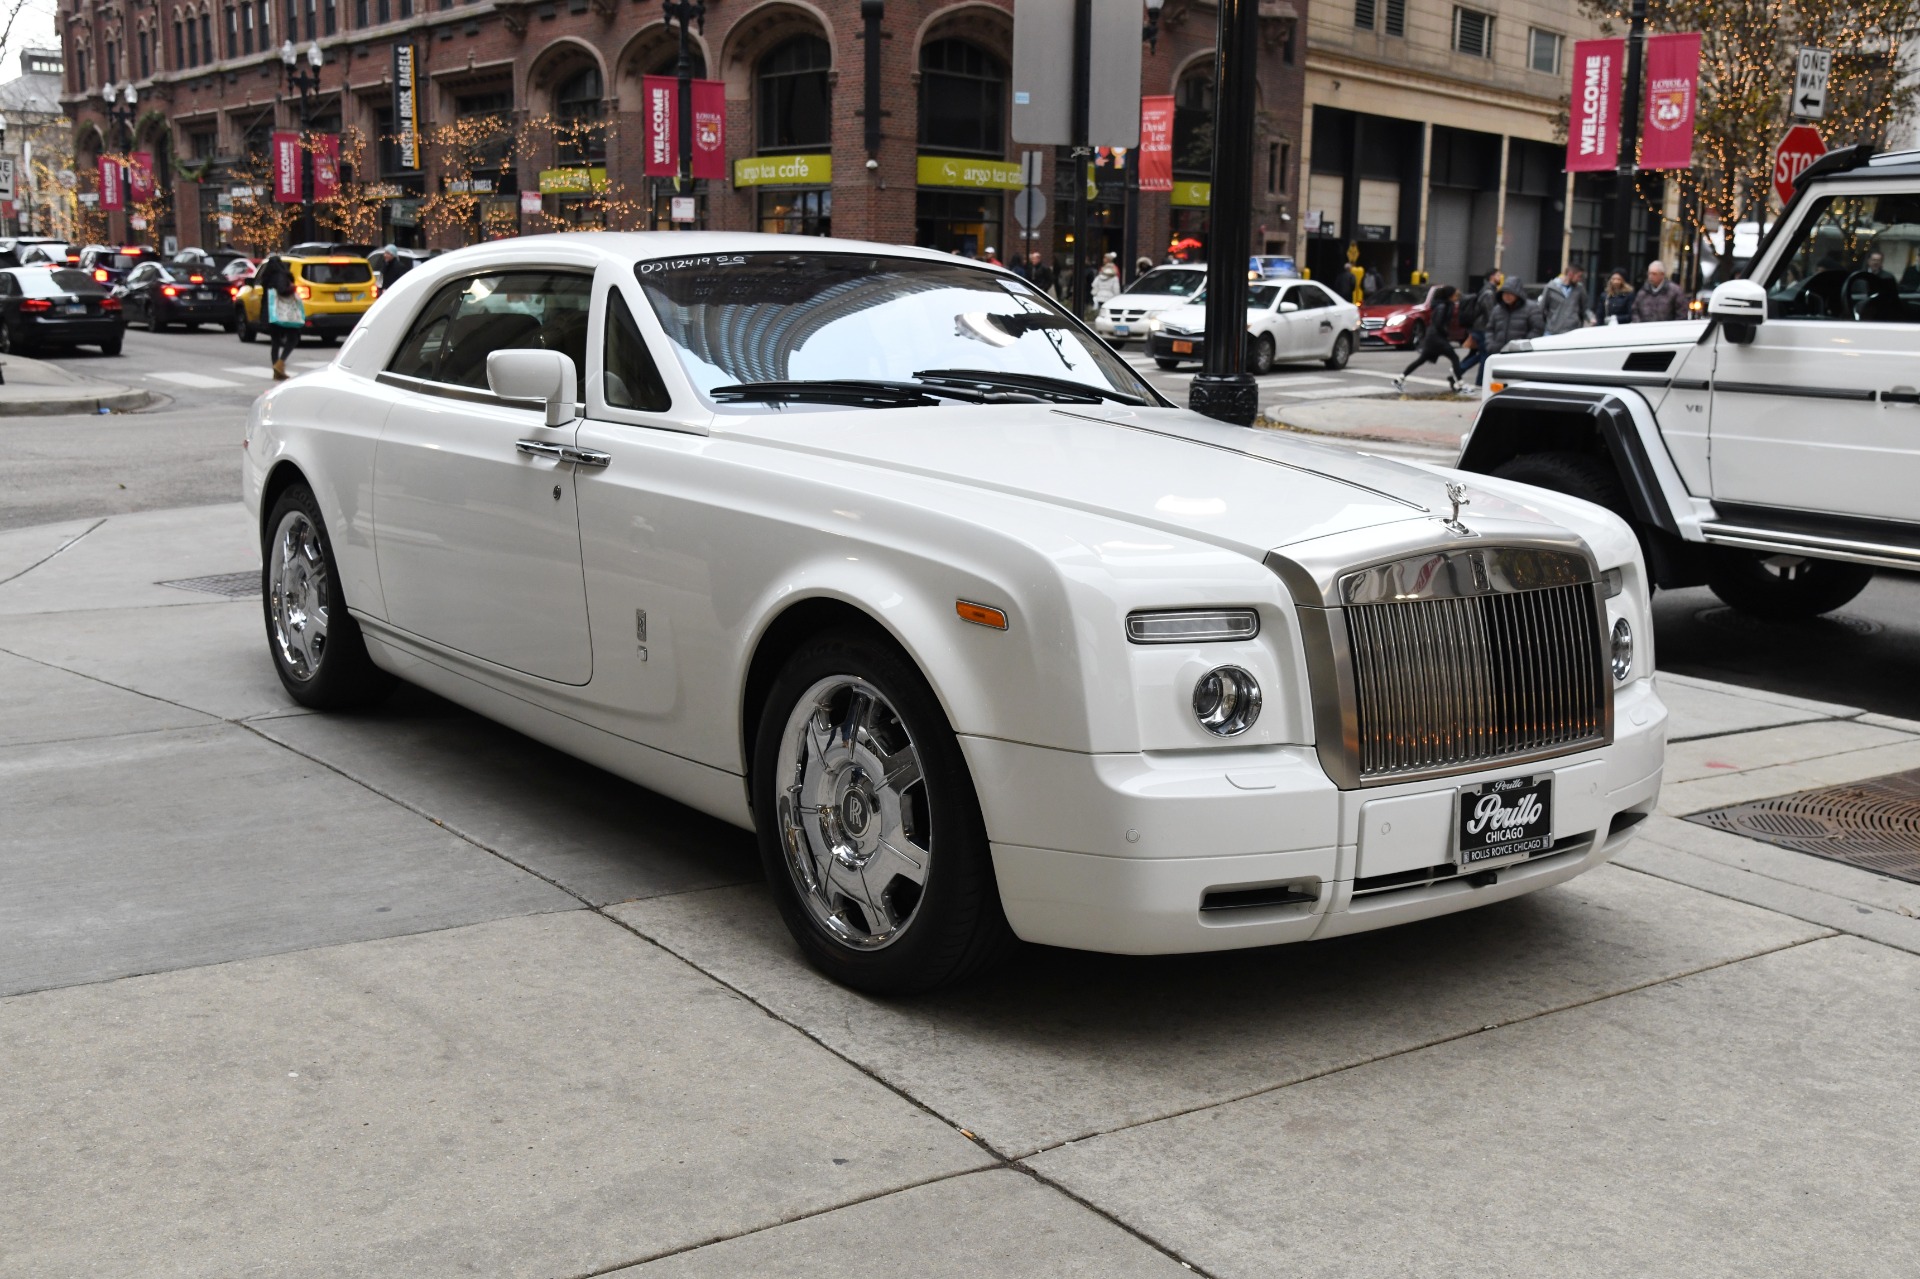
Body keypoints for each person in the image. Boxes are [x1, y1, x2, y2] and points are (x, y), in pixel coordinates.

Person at [1392, 285, 1465, 392]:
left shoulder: (1444, 305)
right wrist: (1445, 334)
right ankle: (1459, 384)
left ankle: (1399, 379)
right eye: (1455, 294)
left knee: (1421, 360)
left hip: (1433, 338)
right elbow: (1439, 323)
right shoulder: (1443, 306)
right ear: (1450, 295)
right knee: (1454, 358)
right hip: (1437, 338)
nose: (1456, 296)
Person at [258, 255, 303, 380]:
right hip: (283, 313)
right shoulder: (280, 276)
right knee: (293, 337)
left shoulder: (266, 278)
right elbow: (282, 290)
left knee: (275, 342)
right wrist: (293, 288)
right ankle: (280, 364)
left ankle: (276, 370)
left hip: (271, 314)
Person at [1456, 268, 1503, 386]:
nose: (1500, 277)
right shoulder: (1488, 292)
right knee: (1485, 356)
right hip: (1482, 328)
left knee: (1481, 354)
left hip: (1480, 327)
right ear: (1492, 277)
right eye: (1498, 275)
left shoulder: (1489, 290)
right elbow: (1490, 312)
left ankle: (1459, 372)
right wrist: (1494, 327)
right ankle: (1478, 381)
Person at [1483, 278, 1545, 360]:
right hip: (1498, 354)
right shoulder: (1497, 309)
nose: (1507, 296)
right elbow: (1490, 329)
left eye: (1510, 293)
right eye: (1504, 293)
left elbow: (1537, 329)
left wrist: (1522, 345)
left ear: (1518, 294)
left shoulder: (1531, 308)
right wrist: (1490, 345)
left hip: (1520, 356)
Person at [1541, 263, 1590, 335]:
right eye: (1578, 276)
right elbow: (1542, 309)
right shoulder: (1551, 288)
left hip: (1573, 330)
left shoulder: (1579, 289)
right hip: (1552, 330)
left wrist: (1590, 318)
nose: (1580, 279)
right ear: (1570, 274)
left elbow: (1584, 308)